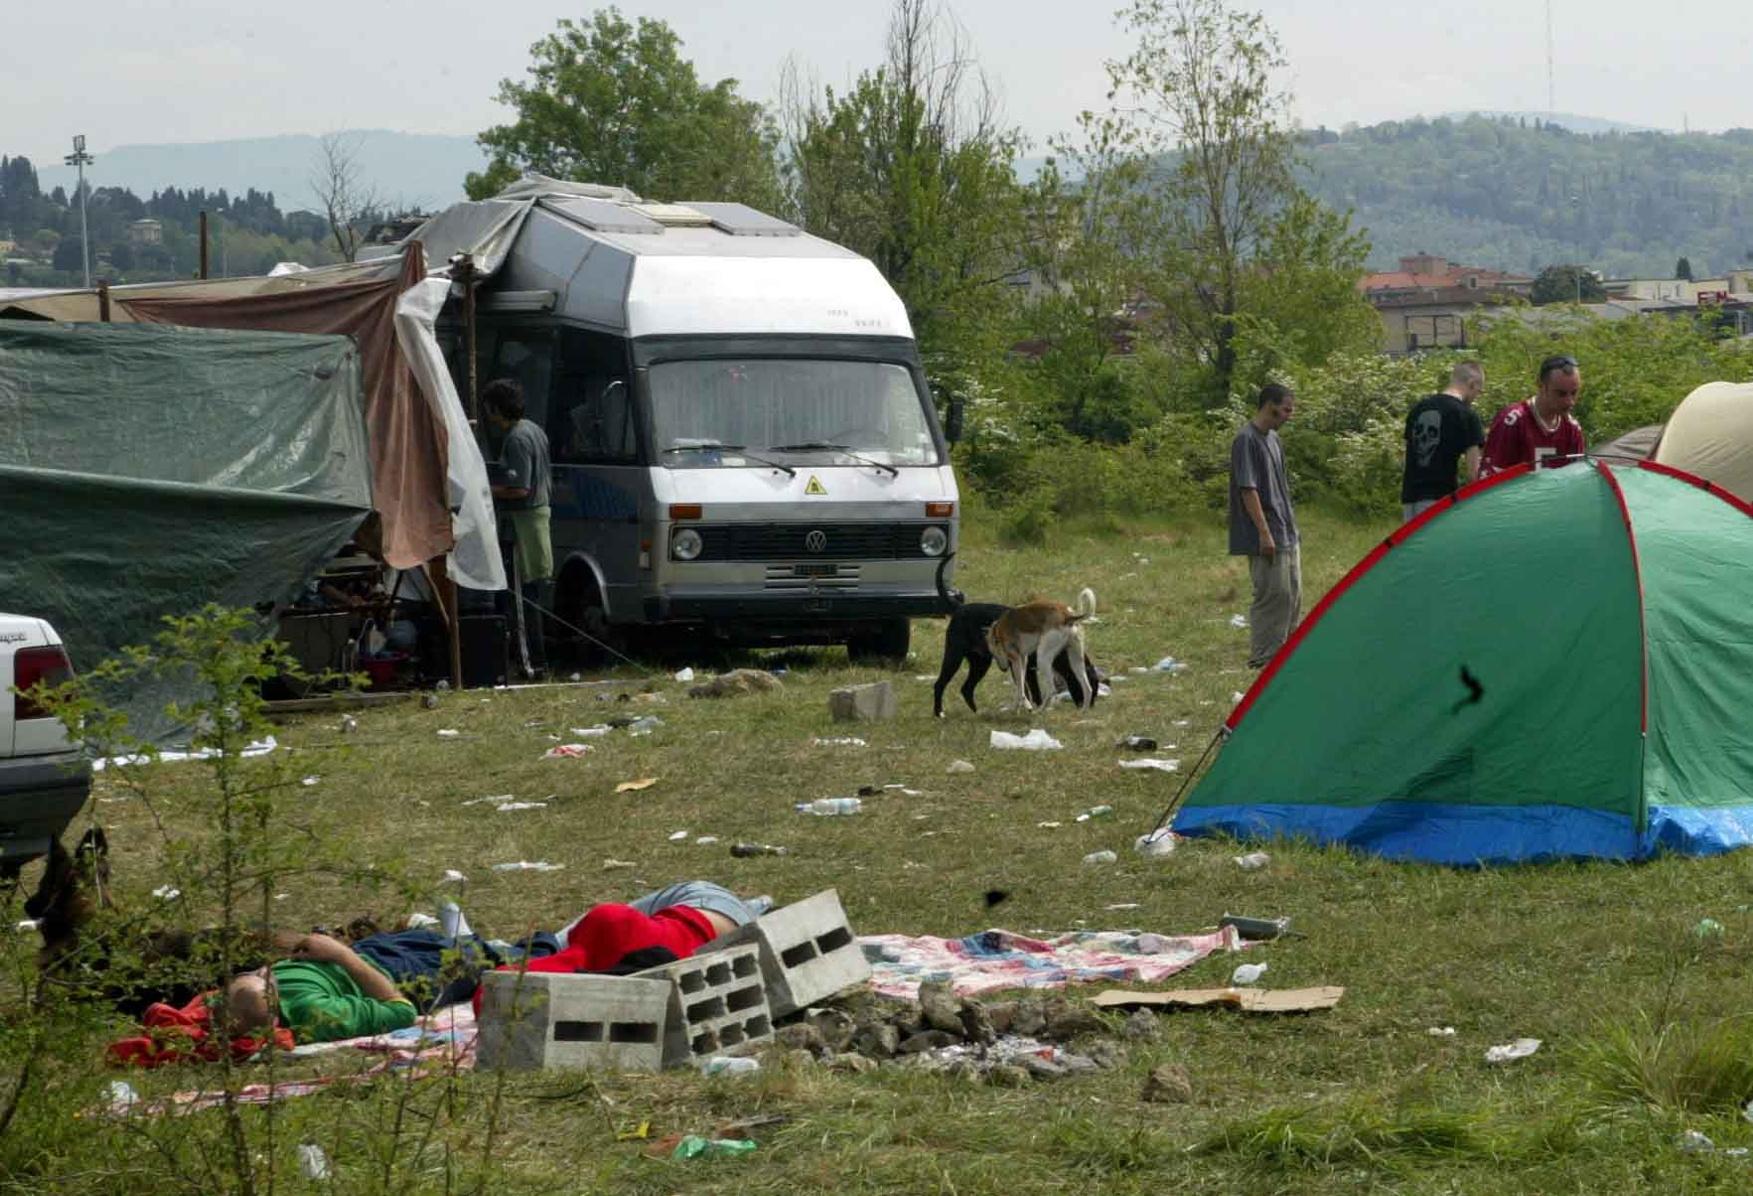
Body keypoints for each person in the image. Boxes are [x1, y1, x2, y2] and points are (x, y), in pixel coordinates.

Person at [226, 921, 556, 1044]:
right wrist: (342, 957)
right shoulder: (317, 1013)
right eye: (264, 980)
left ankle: (463, 933)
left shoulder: (236, 1000)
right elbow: (400, 1010)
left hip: (367, 954)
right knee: (483, 958)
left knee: (430, 938)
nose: (265, 972)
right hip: (402, 976)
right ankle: (552, 944)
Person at [472, 883, 772, 1012]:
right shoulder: (588, 952)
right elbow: (490, 989)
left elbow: (488, 992)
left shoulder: (593, 973)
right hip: (703, 904)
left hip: (712, 916)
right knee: (557, 941)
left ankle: (757, 906)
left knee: (560, 943)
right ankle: (759, 905)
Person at [484, 378, 553, 676]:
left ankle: (531, 664)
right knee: (531, 593)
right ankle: (532, 659)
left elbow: (520, 489)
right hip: (538, 521)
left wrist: (486, 490)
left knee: (521, 600)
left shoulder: (516, 439)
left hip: (522, 527)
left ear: (497, 409)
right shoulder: (534, 429)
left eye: (489, 409)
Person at [1229, 382, 1301, 669]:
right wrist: (1264, 533)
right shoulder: (1246, 440)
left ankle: (1286, 656)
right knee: (1272, 595)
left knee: (1291, 595)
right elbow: (1248, 489)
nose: (1288, 416)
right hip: (1266, 533)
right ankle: (1264, 657)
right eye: (1285, 409)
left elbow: (1281, 486)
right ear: (1269, 405)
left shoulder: (1274, 440)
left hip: (1287, 530)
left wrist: (1292, 528)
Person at [1401, 361, 1487, 521]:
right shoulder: (1467, 415)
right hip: (1440, 500)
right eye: (1479, 391)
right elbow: (1474, 473)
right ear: (1472, 384)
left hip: (1409, 498)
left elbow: (1406, 457)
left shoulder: (1418, 409)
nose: (1476, 397)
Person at [1482, 355, 1586, 474]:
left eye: (1574, 393)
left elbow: (1577, 481)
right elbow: (1490, 480)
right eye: (1561, 394)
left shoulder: (1572, 430)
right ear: (1541, 386)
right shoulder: (1513, 422)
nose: (1569, 401)